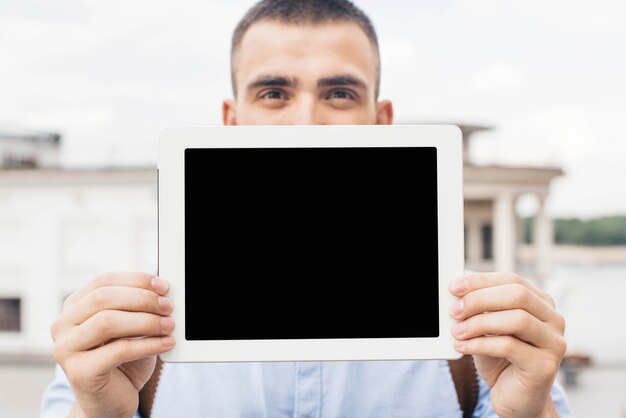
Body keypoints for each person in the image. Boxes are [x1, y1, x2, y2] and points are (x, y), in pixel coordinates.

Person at [41, 1, 572, 417]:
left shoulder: (474, 323)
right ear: (231, 120)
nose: (306, 124)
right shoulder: (137, 327)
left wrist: (531, 413)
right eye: (273, 92)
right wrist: (97, 414)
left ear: (381, 120)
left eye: (339, 92)